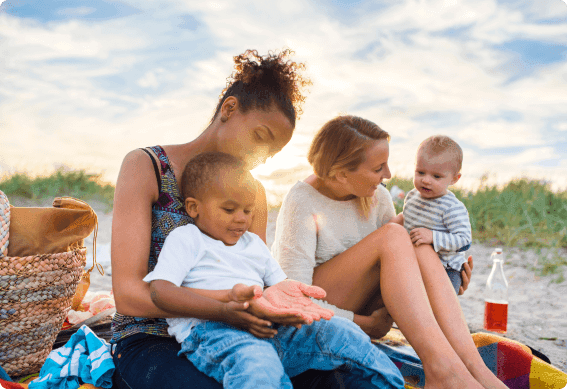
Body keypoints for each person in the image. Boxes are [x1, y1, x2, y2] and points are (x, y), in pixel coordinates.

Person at [110, 50, 373, 389]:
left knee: (343, 377)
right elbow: (128, 296)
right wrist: (220, 308)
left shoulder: (253, 195)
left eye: (272, 152)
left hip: (233, 335)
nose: (260, 158)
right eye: (260, 138)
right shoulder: (147, 167)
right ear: (229, 109)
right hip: (150, 338)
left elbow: (254, 283)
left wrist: (273, 302)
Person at [273, 115, 508, 389]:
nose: (388, 175)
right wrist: (364, 323)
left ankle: (474, 370)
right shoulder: (301, 201)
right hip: (317, 314)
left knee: (418, 242)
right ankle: (443, 372)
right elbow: (295, 301)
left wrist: (447, 281)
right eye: (378, 168)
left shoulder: (377, 195)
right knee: (397, 233)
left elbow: (399, 272)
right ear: (341, 174)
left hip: (367, 306)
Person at [143, 151, 406, 389]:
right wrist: (225, 309)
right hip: (213, 332)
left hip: (270, 327)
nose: (241, 219)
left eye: (247, 210)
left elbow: (279, 286)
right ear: (193, 208)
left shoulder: (253, 243)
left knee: (342, 332)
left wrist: (291, 300)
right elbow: (161, 291)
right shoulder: (187, 239)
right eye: (229, 209)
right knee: (258, 365)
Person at [392, 135, 472, 294]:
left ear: (454, 179)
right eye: (420, 172)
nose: (426, 180)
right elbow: (406, 217)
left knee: (441, 305)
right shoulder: (412, 197)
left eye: (436, 176)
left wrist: (433, 237)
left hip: (446, 269)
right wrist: (391, 226)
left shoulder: (451, 207)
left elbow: (464, 241)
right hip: (414, 265)